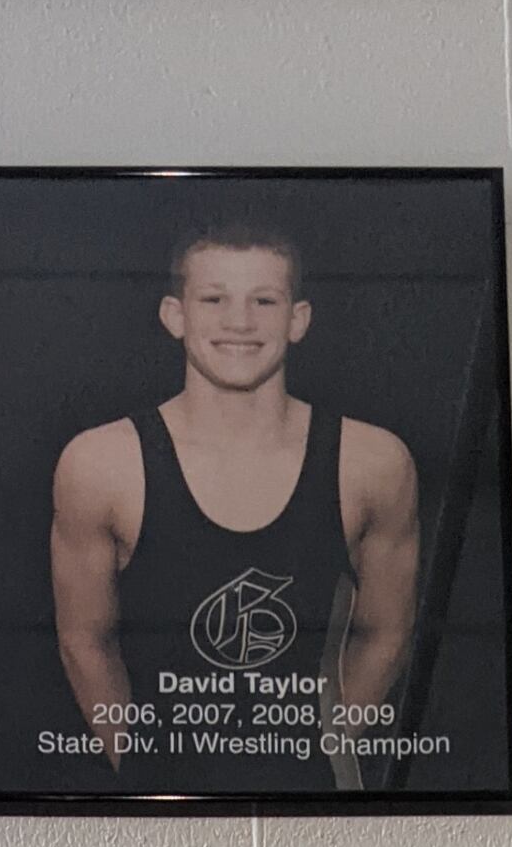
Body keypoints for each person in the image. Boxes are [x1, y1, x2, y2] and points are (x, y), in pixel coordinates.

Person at [51, 221, 419, 789]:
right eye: (215, 299)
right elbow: (83, 640)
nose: (240, 322)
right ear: (175, 315)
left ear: (298, 320)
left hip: (311, 798)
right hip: (160, 804)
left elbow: (388, 633)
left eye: (264, 300)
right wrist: (148, 763)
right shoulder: (100, 465)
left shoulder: (372, 463)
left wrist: (312, 743)